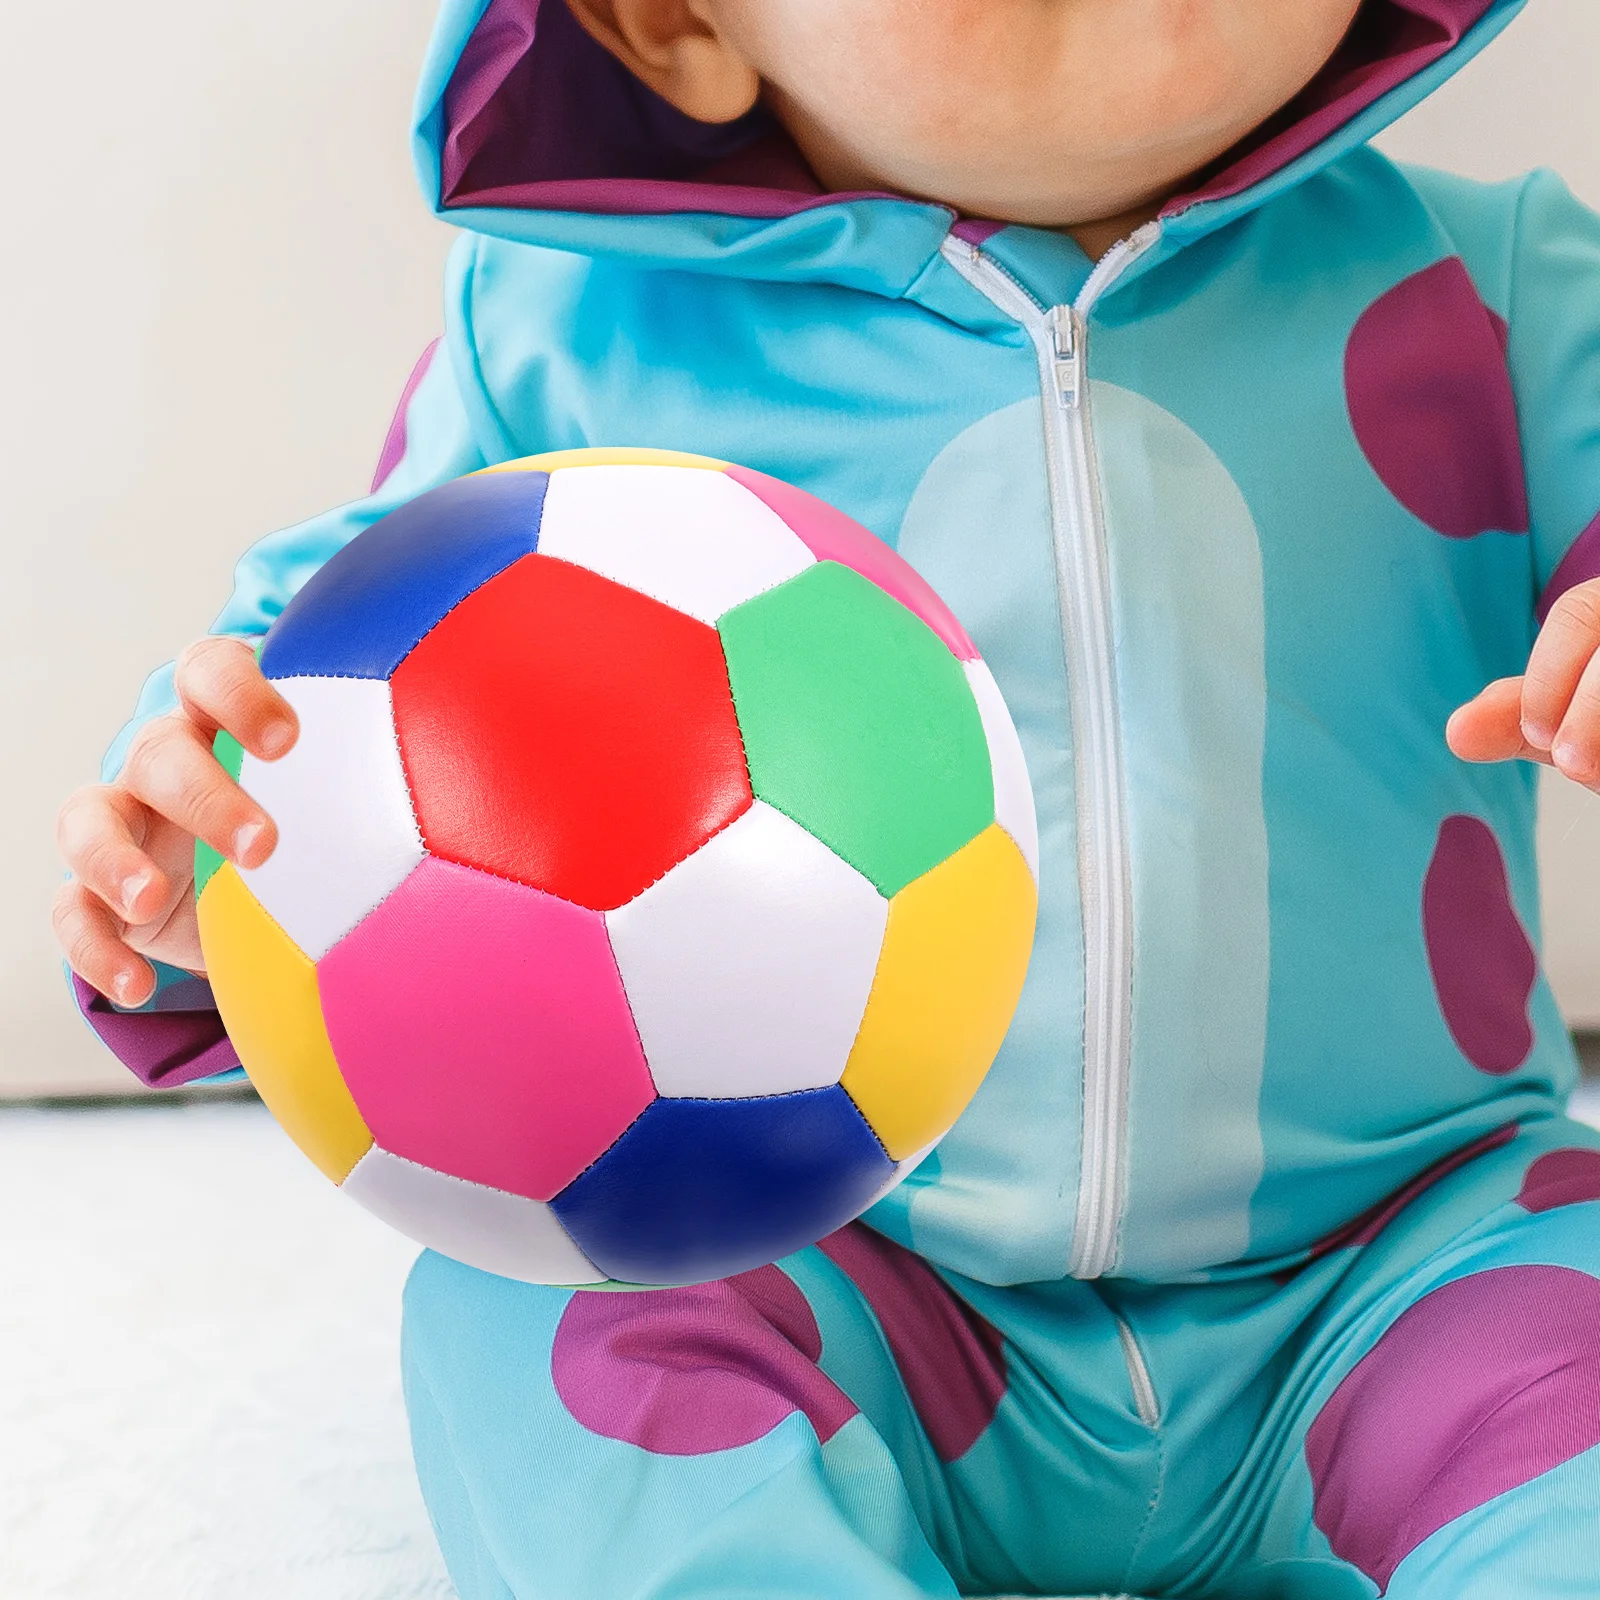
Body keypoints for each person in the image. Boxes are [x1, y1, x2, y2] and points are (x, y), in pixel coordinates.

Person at [51, 1, 1600, 1594]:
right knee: (541, 1315)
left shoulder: (1503, 294)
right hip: (814, 1260)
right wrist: (191, 867)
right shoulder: (571, 343)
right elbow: (313, 702)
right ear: (675, 26)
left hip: (1419, 1255)